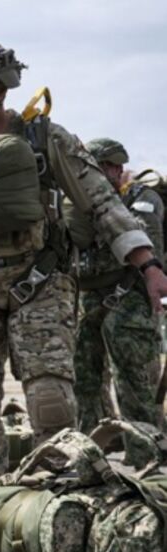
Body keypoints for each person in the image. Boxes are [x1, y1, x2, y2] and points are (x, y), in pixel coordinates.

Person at [0, 42, 167, 480]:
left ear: (0, 88)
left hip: (39, 283)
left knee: (51, 400)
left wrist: (149, 267)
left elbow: (101, 203)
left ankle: (55, 501)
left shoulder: (46, 140)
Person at [70, 138, 164, 429]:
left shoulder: (143, 198)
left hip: (130, 294)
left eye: (113, 166)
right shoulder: (76, 202)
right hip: (87, 295)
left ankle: (146, 453)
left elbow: (150, 244)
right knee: (85, 377)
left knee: (133, 378)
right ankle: (93, 449)